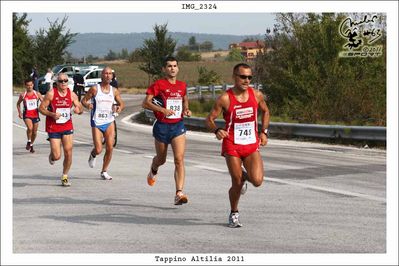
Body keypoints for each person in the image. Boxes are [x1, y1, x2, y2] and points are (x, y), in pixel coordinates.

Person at [205, 63, 270, 228]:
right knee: (237, 181)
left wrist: (264, 132)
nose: (246, 80)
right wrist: (217, 130)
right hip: (232, 143)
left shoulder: (256, 95)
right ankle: (234, 213)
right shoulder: (225, 98)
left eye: (249, 77)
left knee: (257, 181)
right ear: (234, 77)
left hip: (251, 143)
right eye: (243, 77)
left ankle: (243, 179)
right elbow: (209, 119)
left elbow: (266, 111)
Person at [142, 56, 192, 205]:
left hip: (178, 126)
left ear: (178, 68)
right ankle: (153, 169)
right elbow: (145, 103)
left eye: (175, 66)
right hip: (162, 126)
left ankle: (179, 193)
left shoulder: (182, 85)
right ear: (164, 69)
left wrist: (187, 109)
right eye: (169, 66)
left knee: (179, 159)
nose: (172, 68)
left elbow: (184, 99)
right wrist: (162, 110)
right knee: (161, 159)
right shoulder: (158, 85)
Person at [39, 73, 83, 187]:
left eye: (65, 81)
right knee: (57, 156)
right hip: (53, 126)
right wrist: (52, 114)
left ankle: (64, 176)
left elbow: (80, 107)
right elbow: (41, 108)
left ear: (68, 82)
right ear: (56, 83)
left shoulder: (72, 94)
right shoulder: (51, 94)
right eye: (61, 81)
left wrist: (79, 110)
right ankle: (52, 156)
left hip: (67, 126)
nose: (63, 83)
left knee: (68, 152)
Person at [81, 67, 125, 180]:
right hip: (97, 121)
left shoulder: (114, 90)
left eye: (110, 74)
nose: (108, 76)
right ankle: (93, 154)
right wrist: (88, 105)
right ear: (102, 75)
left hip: (109, 121)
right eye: (106, 73)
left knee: (110, 147)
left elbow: (121, 103)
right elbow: (83, 101)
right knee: (99, 149)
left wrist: (119, 109)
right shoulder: (95, 89)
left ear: (112, 76)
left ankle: (104, 171)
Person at [16, 77, 44, 153]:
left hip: (35, 115)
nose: (29, 87)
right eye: (28, 85)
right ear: (25, 86)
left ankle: (31, 144)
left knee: (35, 132)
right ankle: (29, 141)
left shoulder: (37, 94)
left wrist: (44, 108)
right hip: (27, 115)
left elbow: (44, 103)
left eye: (31, 85)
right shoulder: (23, 95)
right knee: (30, 128)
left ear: (33, 85)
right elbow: (18, 104)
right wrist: (20, 113)